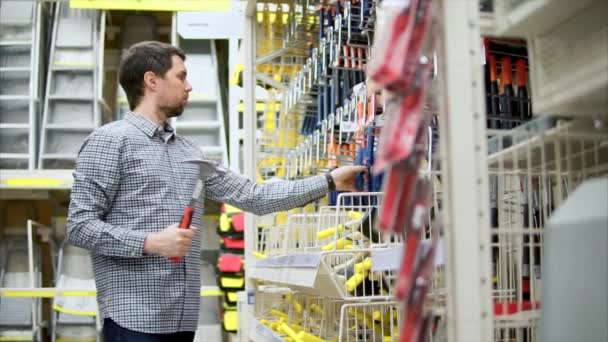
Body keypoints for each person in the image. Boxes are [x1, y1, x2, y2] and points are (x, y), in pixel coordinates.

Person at [66, 41, 366, 342]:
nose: (189, 86)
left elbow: (255, 197)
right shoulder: (110, 141)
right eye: (181, 76)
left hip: (181, 318)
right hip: (132, 317)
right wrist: (151, 243)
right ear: (151, 80)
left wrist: (330, 181)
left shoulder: (189, 151)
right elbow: (80, 226)